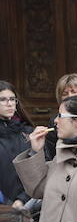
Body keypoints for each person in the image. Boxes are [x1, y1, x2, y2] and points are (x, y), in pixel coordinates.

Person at [0, 81, 34, 209]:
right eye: (3, 99)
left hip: (27, 204)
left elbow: (36, 169)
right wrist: (7, 204)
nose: (9, 104)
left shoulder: (28, 133)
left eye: (12, 99)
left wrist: (22, 200)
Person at [45, 75, 77, 161]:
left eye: (74, 91)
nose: (70, 96)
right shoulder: (56, 121)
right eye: (65, 94)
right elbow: (51, 156)